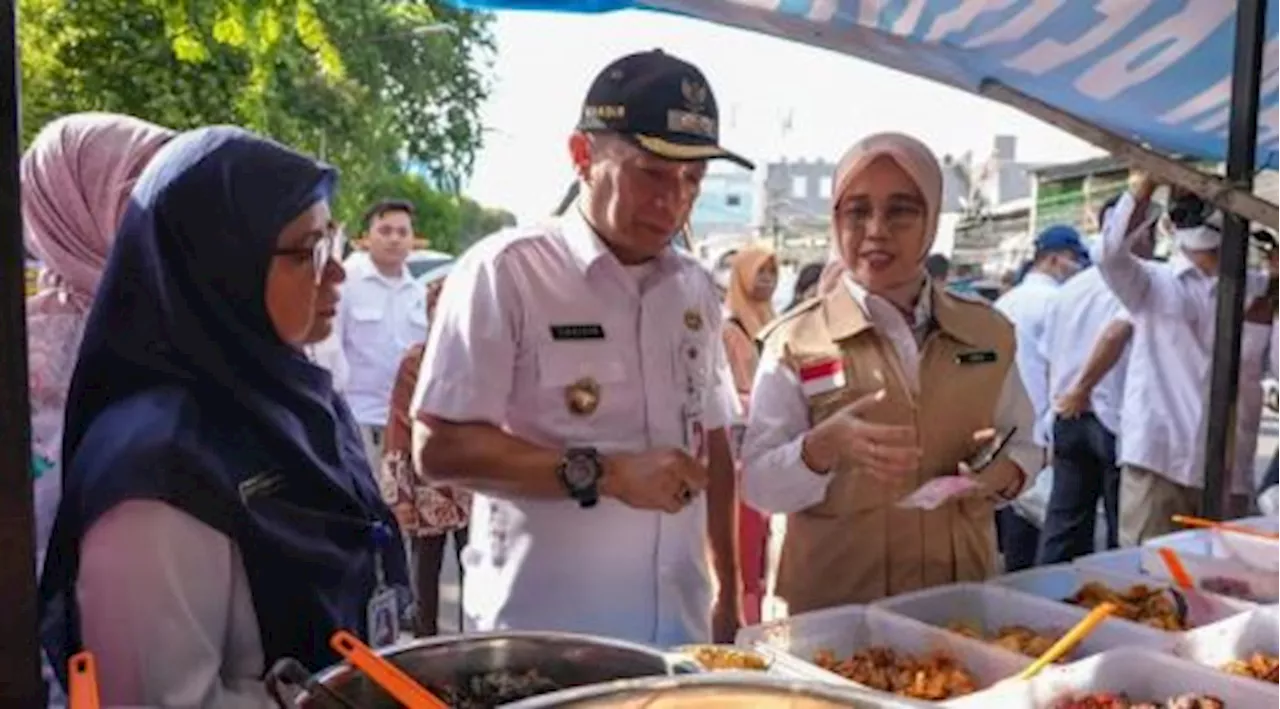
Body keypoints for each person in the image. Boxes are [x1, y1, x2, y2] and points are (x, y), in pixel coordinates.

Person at [39, 127, 407, 706]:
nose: (336, 273)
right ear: (220, 266)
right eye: (307, 250)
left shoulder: (286, 393)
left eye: (331, 241)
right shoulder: (158, 470)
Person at [412, 49, 750, 645]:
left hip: (679, 632)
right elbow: (438, 449)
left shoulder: (695, 288)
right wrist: (608, 474)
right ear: (582, 156)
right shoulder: (507, 273)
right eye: (650, 171)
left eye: (692, 178)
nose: (673, 199)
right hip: (542, 644)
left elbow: (715, 441)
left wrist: (731, 589)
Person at [741, 132, 1041, 614]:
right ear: (836, 221)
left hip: (956, 608)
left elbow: (1025, 444)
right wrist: (820, 449)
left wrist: (1000, 478)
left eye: (900, 210)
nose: (876, 229)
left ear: (931, 220)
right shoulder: (796, 341)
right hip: (834, 619)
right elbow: (759, 486)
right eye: (857, 211)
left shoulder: (986, 334)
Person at [23, 112, 174, 709]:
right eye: (136, 197)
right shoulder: (30, 351)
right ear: (72, 204)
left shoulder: (183, 328)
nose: (159, 219)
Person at [1098, 175, 1275, 543]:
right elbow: (1110, 254)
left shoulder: (1261, 291)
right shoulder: (1151, 283)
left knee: (1222, 587)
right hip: (1159, 457)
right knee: (1145, 576)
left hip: (1229, 468)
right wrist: (1141, 187)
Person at [1037, 201, 1153, 564]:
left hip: (1069, 417)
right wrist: (1083, 389)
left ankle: (1049, 603)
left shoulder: (1070, 290)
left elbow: (1047, 353)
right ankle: (1113, 607)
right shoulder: (1143, 284)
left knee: (1065, 525)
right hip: (1114, 419)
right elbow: (1116, 338)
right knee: (1124, 535)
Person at [379, 266, 470, 637]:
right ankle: (425, 657)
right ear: (432, 313)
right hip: (427, 487)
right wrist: (399, 495)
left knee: (478, 578)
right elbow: (399, 430)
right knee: (425, 580)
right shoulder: (415, 362)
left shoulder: (483, 359)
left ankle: (480, 653)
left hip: (476, 488)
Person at [992, 224, 1089, 571]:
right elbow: (1061, 366)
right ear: (1052, 259)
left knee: (1016, 518)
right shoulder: (1055, 302)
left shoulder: (1006, 302)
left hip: (1004, 423)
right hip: (1043, 424)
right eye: (1073, 258)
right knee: (1050, 530)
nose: (1076, 265)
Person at [342, 199, 429, 469]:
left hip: (405, 425)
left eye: (403, 233)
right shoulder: (345, 283)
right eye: (385, 230)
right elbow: (326, 350)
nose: (394, 239)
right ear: (367, 237)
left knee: (398, 508)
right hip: (357, 421)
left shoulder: (418, 294)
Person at [720, 245, 777, 625]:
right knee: (742, 545)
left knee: (763, 547)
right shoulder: (727, 328)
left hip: (769, 443)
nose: (767, 280)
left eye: (773, 272)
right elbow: (719, 394)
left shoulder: (772, 320)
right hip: (736, 451)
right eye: (760, 272)